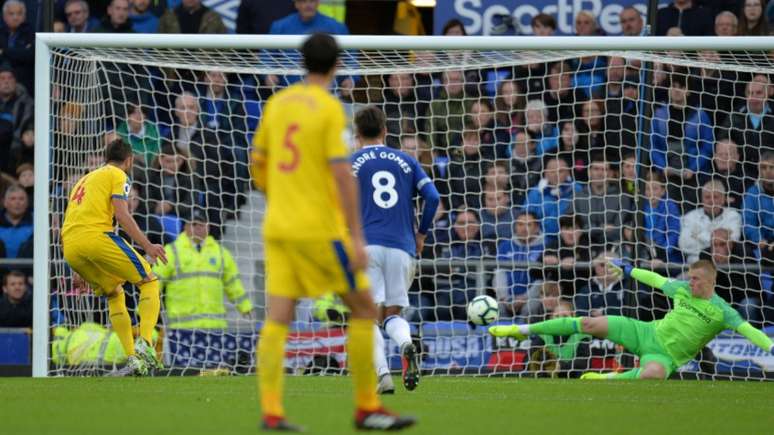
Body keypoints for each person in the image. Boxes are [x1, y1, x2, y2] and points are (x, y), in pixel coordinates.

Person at [250, 33, 415, 431]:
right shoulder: (327, 108)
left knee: (278, 317)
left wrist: (283, 194)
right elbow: (342, 173)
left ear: (301, 63)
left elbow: (257, 165)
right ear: (337, 65)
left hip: (278, 227)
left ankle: (272, 411)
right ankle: (367, 407)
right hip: (318, 229)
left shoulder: (277, 103)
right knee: (363, 308)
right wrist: (356, 236)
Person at [491, 259, 774, 380]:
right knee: (589, 323)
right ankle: (520, 328)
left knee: (654, 375)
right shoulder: (681, 289)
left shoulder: (724, 311)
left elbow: (750, 331)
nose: (690, 283)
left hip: (665, 355)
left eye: (695, 279)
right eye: (689, 278)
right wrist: (628, 270)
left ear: (710, 282)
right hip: (644, 332)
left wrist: (771, 348)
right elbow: (656, 279)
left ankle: (607, 379)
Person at [350, 106, 440, 395]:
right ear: (386, 131)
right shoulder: (406, 160)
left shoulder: (351, 161)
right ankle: (405, 344)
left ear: (357, 135)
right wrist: (422, 233)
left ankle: (383, 375)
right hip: (402, 247)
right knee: (392, 314)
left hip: (367, 246)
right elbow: (433, 197)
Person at [61, 138, 168, 376]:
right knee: (149, 281)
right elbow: (121, 214)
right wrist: (148, 246)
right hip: (96, 237)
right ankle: (146, 345)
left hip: (70, 246)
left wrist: (77, 268)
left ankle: (132, 360)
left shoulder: (83, 180)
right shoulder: (118, 175)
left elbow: (73, 219)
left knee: (114, 293)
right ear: (129, 160)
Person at [153, 208, 254, 329]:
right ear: (185, 227)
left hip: (215, 327)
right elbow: (155, 282)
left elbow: (233, 283)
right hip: (182, 328)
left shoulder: (220, 253)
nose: (198, 228)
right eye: (194, 224)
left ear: (209, 227)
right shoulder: (171, 251)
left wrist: (245, 307)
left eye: (202, 224)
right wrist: (144, 309)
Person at [679, 180, 742, 263]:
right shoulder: (690, 217)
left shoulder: (733, 216)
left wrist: (699, 235)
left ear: (723, 199)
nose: (711, 201)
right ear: (702, 199)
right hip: (696, 266)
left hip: (726, 266)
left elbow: (733, 242)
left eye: (715, 197)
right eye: (707, 197)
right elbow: (684, 245)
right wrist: (718, 242)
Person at [743, 150, 774, 267]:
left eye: (772, 167)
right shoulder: (752, 193)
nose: (768, 171)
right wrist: (759, 239)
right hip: (763, 245)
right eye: (764, 168)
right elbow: (748, 222)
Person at [0, 0, 34, 95]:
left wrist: (5, 51)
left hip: (25, 85)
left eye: (19, 14)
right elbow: (23, 55)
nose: (15, 17)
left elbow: (29, 55)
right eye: (11, 14)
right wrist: (19, 53)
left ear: (24, 16)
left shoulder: (31, 33)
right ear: (4, 16)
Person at [0, 185, 32, 258]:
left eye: (21, 199)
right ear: (5, 202)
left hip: (29, 268)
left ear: (27, 203)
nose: (17, 202)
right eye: (13, 199)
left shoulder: (38, 221)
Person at [157, 0, 226, 34]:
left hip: (204, 61)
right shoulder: (167, 17)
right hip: (174, 61)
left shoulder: (214, 17)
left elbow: (224, 46)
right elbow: (158, 46)